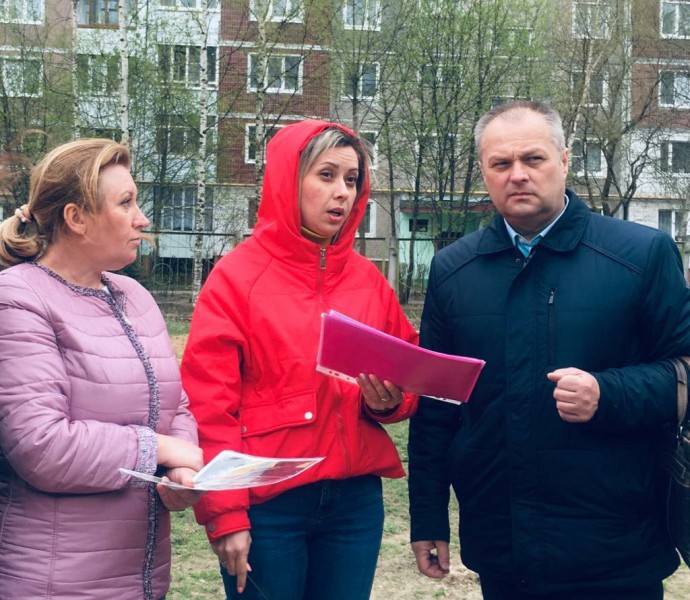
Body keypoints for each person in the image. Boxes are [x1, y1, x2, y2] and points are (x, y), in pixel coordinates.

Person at [407, 100, 690, 600]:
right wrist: (427, 515)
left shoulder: (641, 254)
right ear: (484, 172)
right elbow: (437, 407)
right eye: (501, 163)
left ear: (564, 159)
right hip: (502, 544)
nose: (517, 174)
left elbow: (684, 369)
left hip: (617, 543)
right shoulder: (453, 270)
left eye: (533, 159)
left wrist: (609, 393)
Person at [181, 119, 418, 600]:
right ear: (288, 180)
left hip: (354, 505)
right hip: (269, 505)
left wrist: (389, 401)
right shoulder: (236, 278)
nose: (342, 192)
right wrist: (226, 513)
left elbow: (408, 373)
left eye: (351, 179)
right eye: (326, 175)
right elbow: (209, 406)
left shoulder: (368, 280)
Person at [0, 138, 204, 600]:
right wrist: (160, 448)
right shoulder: (18, 299)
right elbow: (41, 445)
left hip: (142, 578)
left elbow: (176, 406)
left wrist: (179, 472)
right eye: (125, 203)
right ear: (76, 218)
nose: (142, 219)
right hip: (56, 583)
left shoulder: (136, 297)